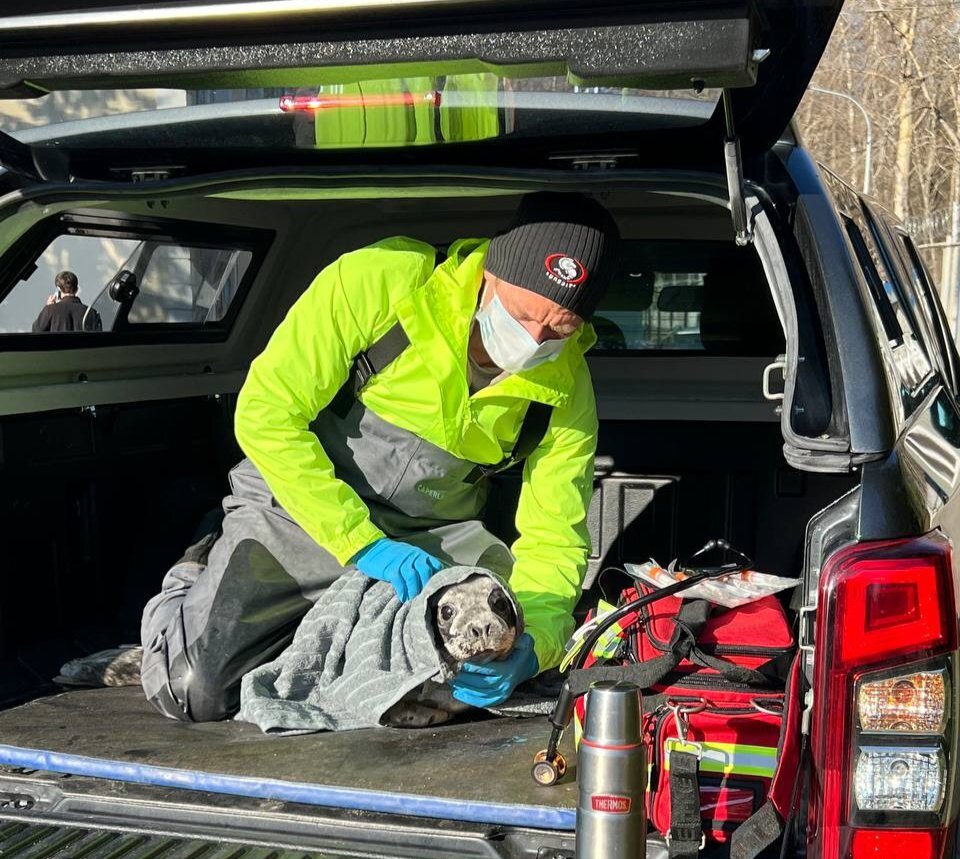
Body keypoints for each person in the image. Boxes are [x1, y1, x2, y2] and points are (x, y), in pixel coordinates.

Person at [140, 192, 620, 722]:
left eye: (560, 328)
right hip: (297, 508)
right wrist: (362, 544)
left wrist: (536, 649)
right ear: (490, 270)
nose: (533, 339)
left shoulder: (567, 388)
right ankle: (191, 579)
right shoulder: (383, 280)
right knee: (196, 692)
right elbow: (266, 412)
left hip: (433, 537)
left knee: (491, 653)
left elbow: (555, 540)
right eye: (523, 312)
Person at [31, 271, 102, 333]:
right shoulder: (91, 313)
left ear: (58, 290)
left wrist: (48, 307)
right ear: (77, 289)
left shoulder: (50, 310)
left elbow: (36, 331)